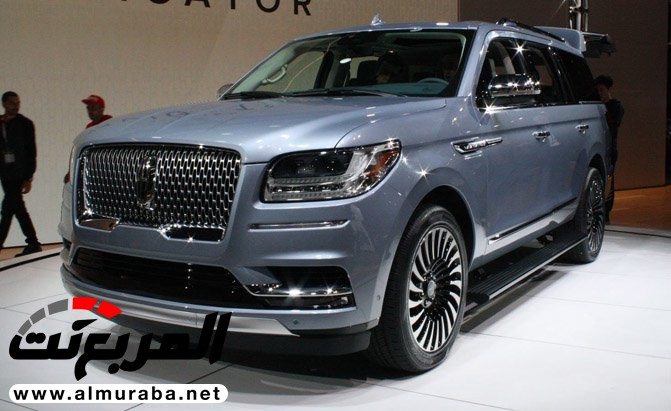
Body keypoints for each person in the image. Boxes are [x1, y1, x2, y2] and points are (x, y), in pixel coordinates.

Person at [0, 91, 41, 256]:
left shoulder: (25, 124)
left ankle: (32, 242)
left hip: (18, 173)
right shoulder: (1, 123)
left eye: (17, 103)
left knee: (10, 208)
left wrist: (28, 176)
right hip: (5, 173)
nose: (16, 106)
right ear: (4, 103)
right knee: (14, 208)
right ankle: (33, 243)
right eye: (12, 103)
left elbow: (31, 152)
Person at [64, 94, 113, 183]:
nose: (90, 111)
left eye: (93, 108)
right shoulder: (89, 127)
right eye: (88, 108)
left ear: (101, 109)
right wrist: (70, 171)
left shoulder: (109, 123)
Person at [594, 75, 624, 221]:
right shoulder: (596, 106)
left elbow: (612, 125)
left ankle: (606, 214)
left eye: (602, 90)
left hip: (609, 149)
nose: (599, 93)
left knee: (608, 182)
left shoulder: (616, 106)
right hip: (599, 147)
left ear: (609, 89)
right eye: (597, 90)